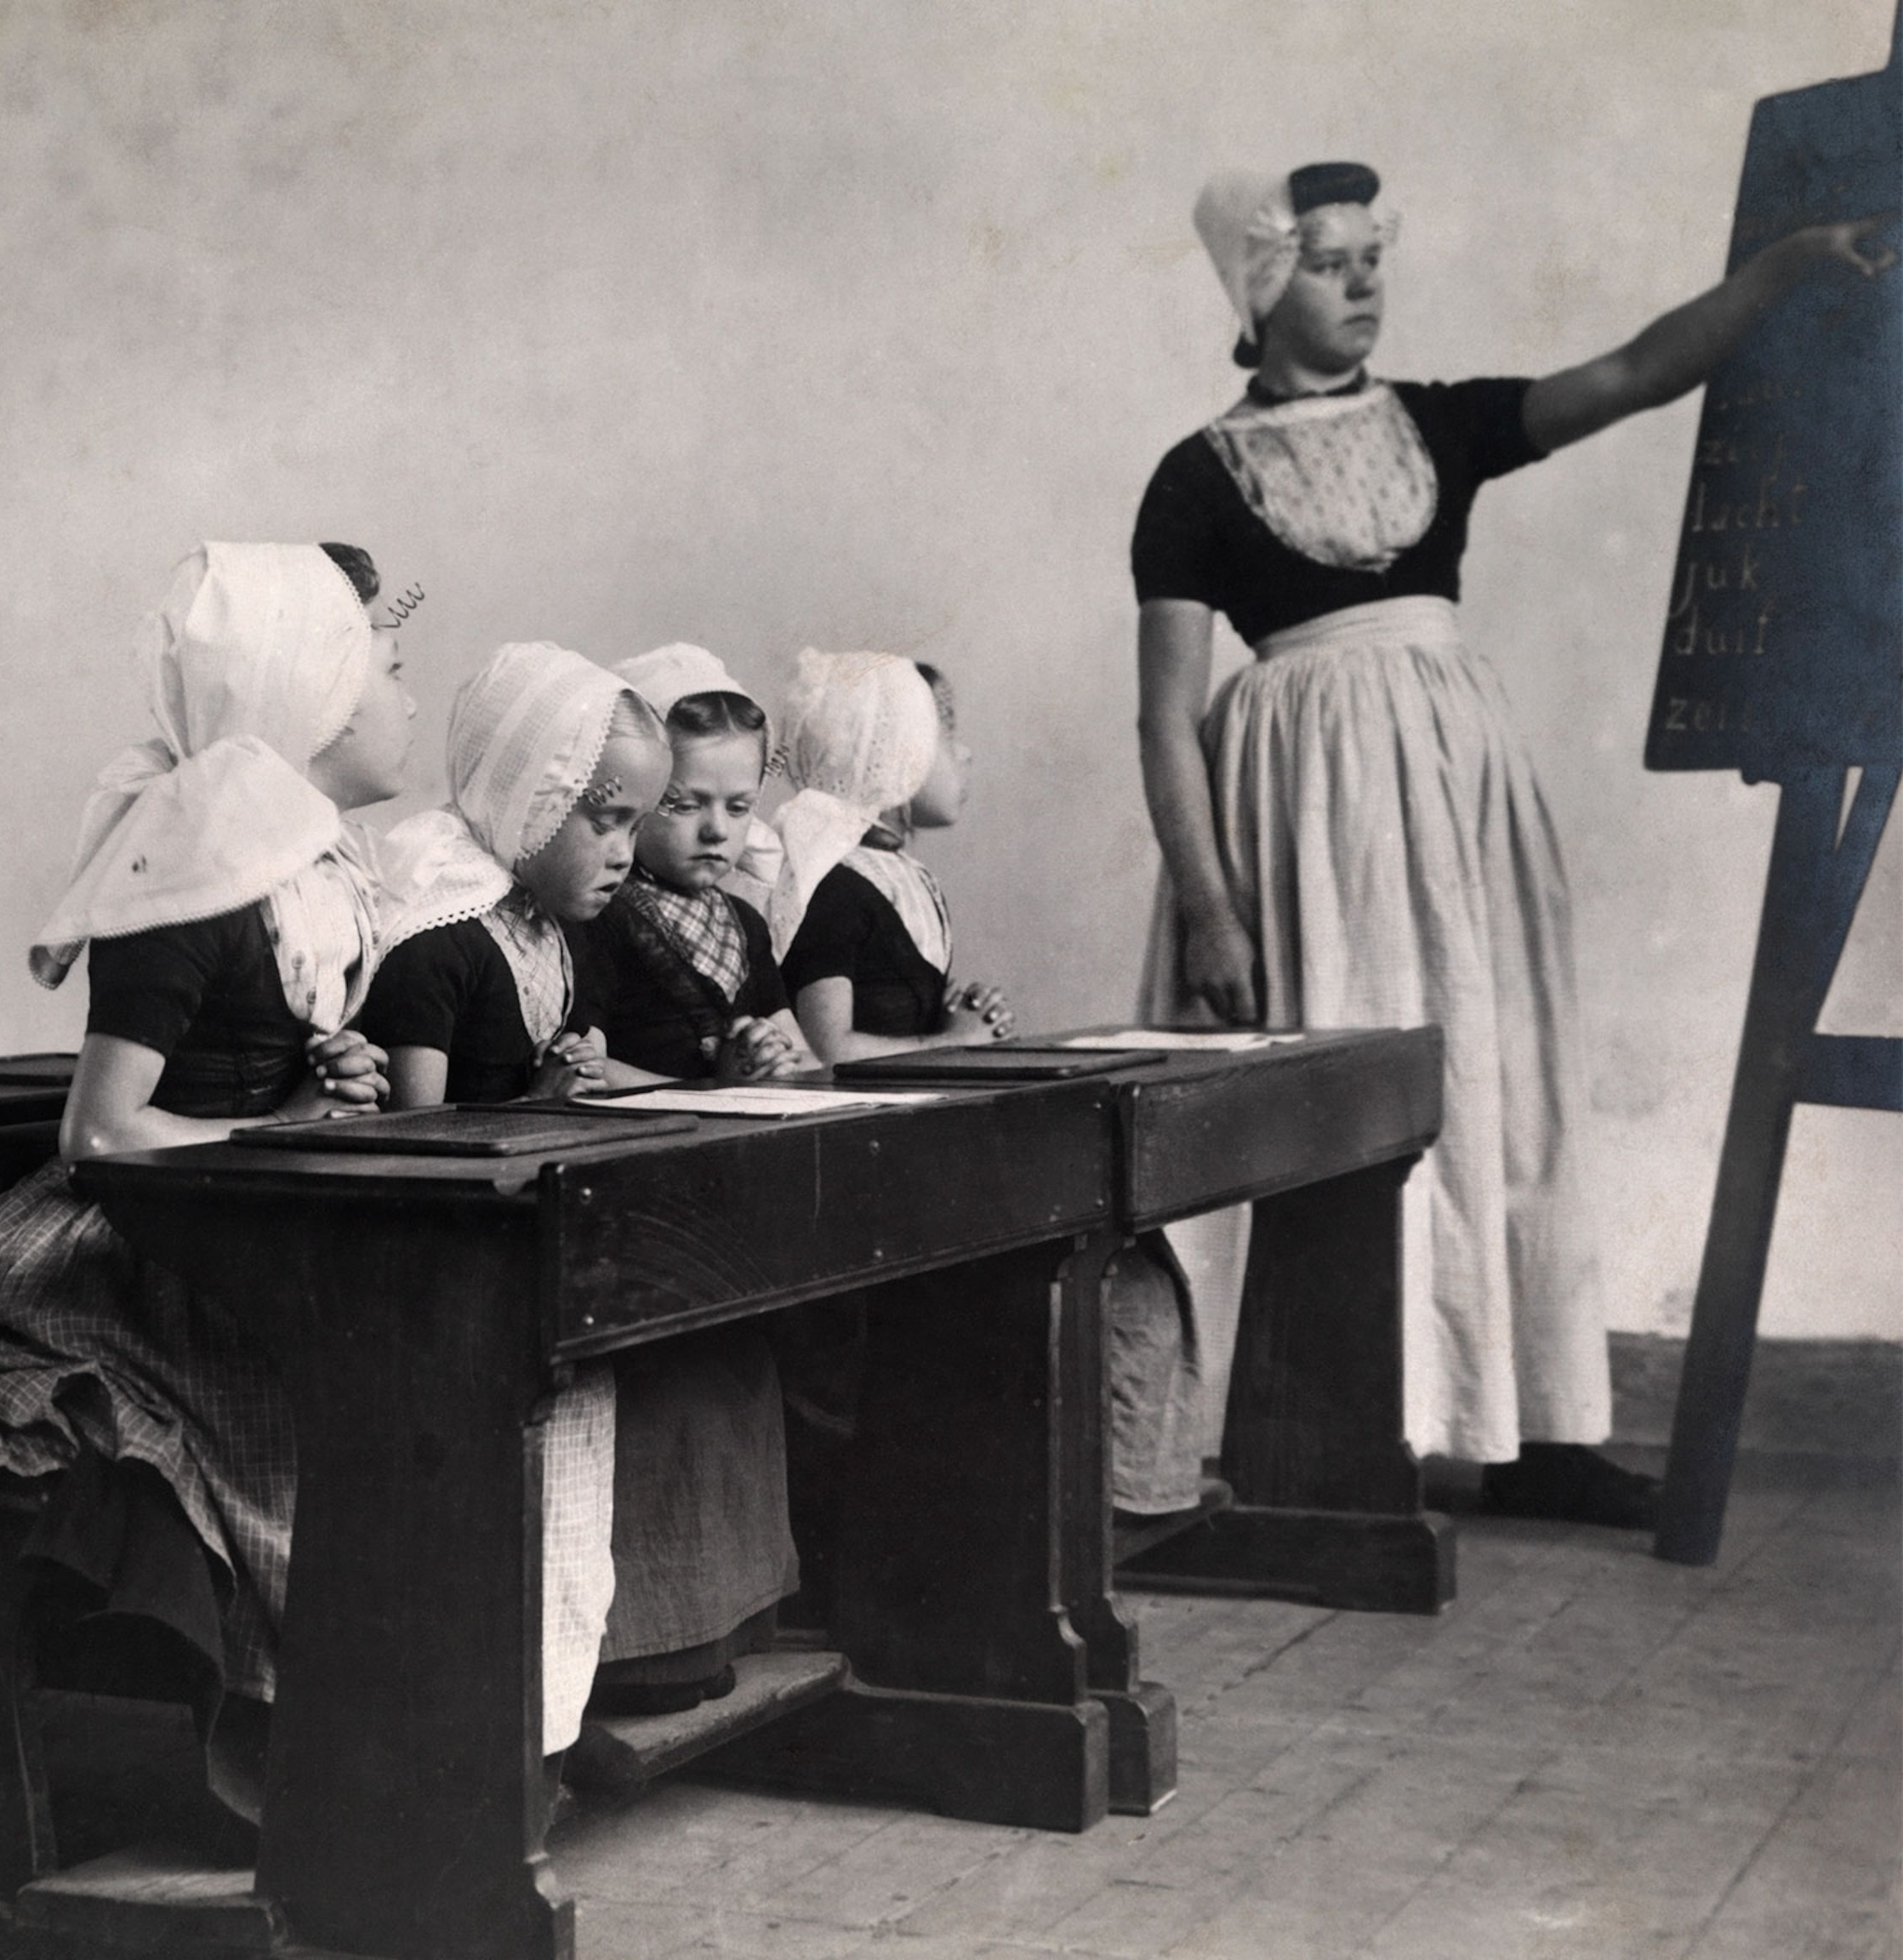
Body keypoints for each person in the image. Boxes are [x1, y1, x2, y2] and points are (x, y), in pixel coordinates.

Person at [1131, 162, 1894, 1523]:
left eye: (1375, 256)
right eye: (1329, 262)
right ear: (1261, 289)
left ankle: (1530, 1429)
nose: (1366, 281)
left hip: (1456, 796)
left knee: (1498, 1075)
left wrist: (1780, 272)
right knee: (1330, 1105)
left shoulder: (1443, 425)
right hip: (1297, 818)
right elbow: (1164, 718)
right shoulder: (1194, 480)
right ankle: (1317, 1436)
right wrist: (1210, 907)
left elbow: (1640, 372)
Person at [0, 544, 611, 1820]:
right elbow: (103, 1134)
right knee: (325, 1416)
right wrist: (279, 1121)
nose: (404, 703)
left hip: (239, 1214)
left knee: (428, 1382)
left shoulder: (302, 865)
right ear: (314, 703)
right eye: (385, 676)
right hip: (109, 1246)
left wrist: (311, 1090)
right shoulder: (184, 876)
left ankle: (434, 1735)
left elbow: (250, 1093)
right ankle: (331, 1753)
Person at [365, 638, 796, 1717]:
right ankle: (583, 1679)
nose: (623, 848)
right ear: (529, 799)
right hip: (462, 1250)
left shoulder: (552, 935)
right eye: (605, 819)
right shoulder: (439, 941)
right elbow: (424, 1137)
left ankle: (654, 1648)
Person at [572, 644, 810, 1085]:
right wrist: (717, 1086)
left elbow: (806, 1058)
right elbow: (587, 1069)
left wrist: (776, 1059)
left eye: (739, 807)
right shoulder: (601, 915)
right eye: (683, 804)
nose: (717, 829)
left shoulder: (744, 924)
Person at [771, 649, 1011, 1062]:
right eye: (946, 732)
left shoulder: (905, 876)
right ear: (893, 752)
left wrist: (962, 1012)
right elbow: (825, 1051)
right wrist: (955, 1041)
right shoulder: (834, 886)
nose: (965, 753)